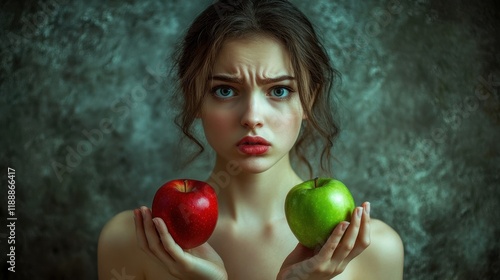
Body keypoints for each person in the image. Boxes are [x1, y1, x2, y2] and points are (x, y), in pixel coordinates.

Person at [97, 0, 404, 279]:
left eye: (279, 90)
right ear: (195, 98)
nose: (252, 116)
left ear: (309, 99)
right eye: (225, 90)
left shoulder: (374, 250)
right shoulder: (130, 241)